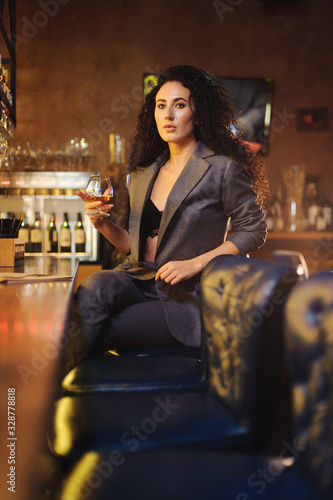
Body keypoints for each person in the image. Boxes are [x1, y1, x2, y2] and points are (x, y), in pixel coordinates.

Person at [74, 64, 269, 366]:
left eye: (179, 105)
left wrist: (194, 264)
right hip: (137, 278)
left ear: (198, 111)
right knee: (93, 288)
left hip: (184, 296)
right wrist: (101, 224)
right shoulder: (143, 171)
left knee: (99, 329)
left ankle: (63, 399)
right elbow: (135, 247)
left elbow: (253, 229)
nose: (168, 115)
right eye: (161, 105)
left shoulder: (221, 168)